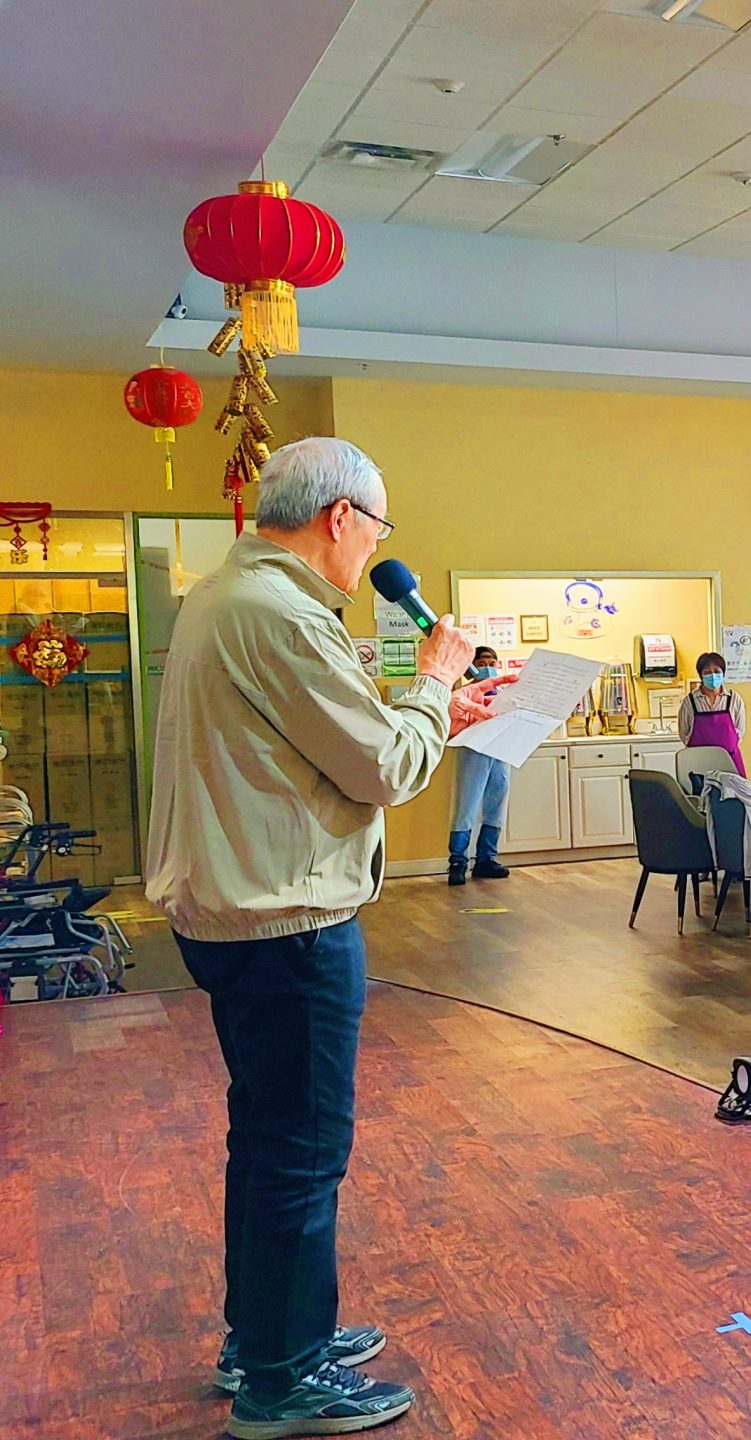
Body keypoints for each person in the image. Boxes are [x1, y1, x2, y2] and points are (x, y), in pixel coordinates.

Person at [144, 437, 488, 1434]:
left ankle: (265, 1336)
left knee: (267, 1139)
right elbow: (382, 770)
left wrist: (438, 712)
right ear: (341, 517)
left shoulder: (229, 594)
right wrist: (434, 679)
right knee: (300, 1149)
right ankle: (282, 1378)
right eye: (378, 527)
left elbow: (327, 749)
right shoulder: (284, 614)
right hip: (284, 922)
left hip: (242, 911)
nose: (375, 546)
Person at [446, 645, 515, 886]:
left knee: (497, 803)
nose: (488, 668)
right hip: (473, 750)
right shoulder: (463, 694)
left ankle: (486, 858)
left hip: (500, 749)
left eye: (492, 663)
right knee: (467, 804)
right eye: (481, 663)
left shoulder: (506, 692)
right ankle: (458, 861)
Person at [679, 650, 746, 776]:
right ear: (701, 675)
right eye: (707, 672)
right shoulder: (690, 701)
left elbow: (740, 731)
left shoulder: (734, 699)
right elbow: (684, 733)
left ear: (723, 673)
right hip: (699, 763)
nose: (713, 676)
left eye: (717, 671)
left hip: (730, 762)